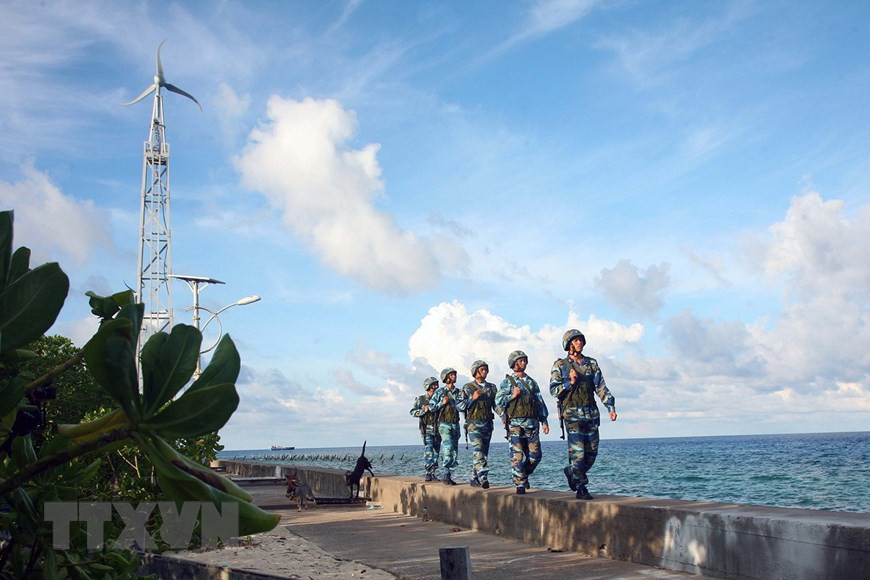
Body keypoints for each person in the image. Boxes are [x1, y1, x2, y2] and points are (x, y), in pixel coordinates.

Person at [549, 329, 617, 500]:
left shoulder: (591, 364)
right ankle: (581, 487)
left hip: (591, 414)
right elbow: (554, 390)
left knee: (592, 453)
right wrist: (569, 382)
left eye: (581, 340)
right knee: (578, 454)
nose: (579, 343)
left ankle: (572, 472)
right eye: (576, 340)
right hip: (572, 415)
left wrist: (610, 407)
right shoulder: (561, 365)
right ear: (569, 344)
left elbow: (600, 386)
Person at [495, 350, 549, 494]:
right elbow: (498, 402)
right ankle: (519, 484)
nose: (523, 362)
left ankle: (522, 474)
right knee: (517, 456)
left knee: (535, 456)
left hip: (531, 424)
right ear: (513, 364)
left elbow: (539, 401)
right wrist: (512, 396)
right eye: (519, 360)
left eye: (524, 360)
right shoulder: (508, 382)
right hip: (515, 424)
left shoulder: (531, 382)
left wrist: (544, 420)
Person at [457, 360, 497, 489]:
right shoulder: (468, 388)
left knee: (483, 453)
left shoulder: (491, 388)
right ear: (475, 371)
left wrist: (503, 416)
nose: (484, 371)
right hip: (473, 425)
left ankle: (473, 477)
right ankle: (483, 476)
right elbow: (459, 406)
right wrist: (472, 398)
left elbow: (495, 405)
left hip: (487, 424)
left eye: (486, 369)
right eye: (482, 369)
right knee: (478, 450)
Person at [429, 367, 462, 485]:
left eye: (454, 374)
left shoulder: (458, 392)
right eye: (452, 374)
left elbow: (463, 406)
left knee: (454, 450)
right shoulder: (439, 392)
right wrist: (441, 403)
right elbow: (431, 407)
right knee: (447, 447)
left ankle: (449, 473)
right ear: (446, 377)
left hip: (455, 423)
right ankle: (446, 473)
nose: (454, 376)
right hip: (444, 424)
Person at [409, 377, 442, 481]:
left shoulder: (440, 398)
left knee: (436, 451)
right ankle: (428, 472)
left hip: (438, 428)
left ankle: (433, 472)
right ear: (428, 386)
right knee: (429, 450)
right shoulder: (421, 399)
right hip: (427, 428)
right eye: (434, 385)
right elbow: (412, 412)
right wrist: (423, 410)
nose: (436, 387)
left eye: (437, 384)